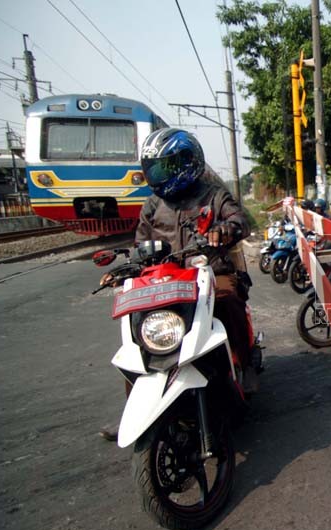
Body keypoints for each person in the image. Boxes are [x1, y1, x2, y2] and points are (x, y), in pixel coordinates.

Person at [100, 128, 252, 440]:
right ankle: (137, 408)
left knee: (228, 300)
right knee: (136, 337)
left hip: (208, 272)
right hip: (166, 280)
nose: (159, 174)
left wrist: (224, 231)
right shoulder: (153, 205)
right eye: (154, 168)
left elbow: (239, 220)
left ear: (187, 163)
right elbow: (141, 243)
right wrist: (126, 268)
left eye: (166, 166)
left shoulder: (213, 194)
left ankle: (245, 363)